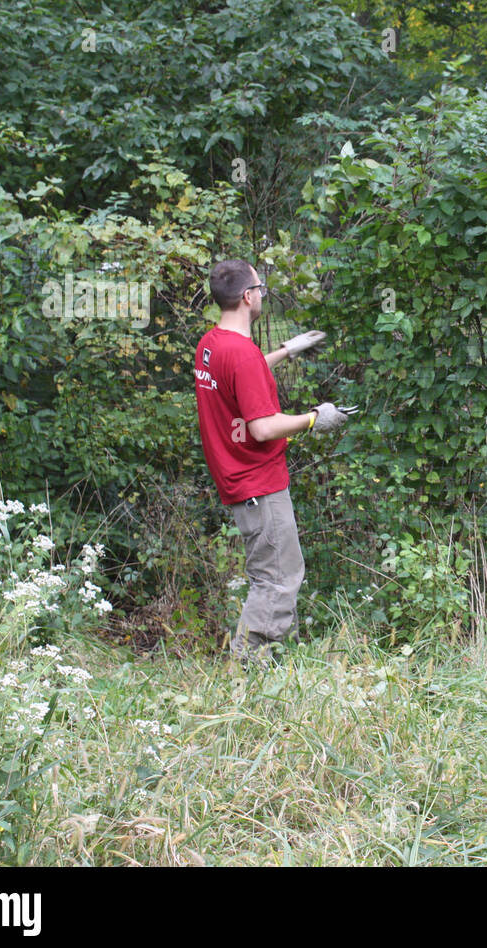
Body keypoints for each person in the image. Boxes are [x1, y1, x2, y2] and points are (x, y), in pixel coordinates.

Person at [194, 259, 352, 662]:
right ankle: (246, 669)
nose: (263, 293)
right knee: (278, 580)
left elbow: (240, 373)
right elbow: (263, 427)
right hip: (257, 484)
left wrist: (286, 350)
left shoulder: (211, 344)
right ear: (248, 297)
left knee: (271, 575)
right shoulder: (239, 353)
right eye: (260, 287)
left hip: (236, 479)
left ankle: (269, 666)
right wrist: (316, 419)